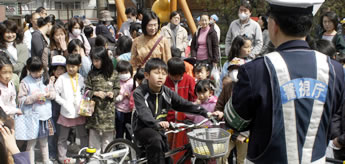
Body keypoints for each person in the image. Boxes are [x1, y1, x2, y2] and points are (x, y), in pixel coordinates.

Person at [213, 0, 345, 163]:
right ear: (309, 26)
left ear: (273, 25)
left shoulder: (256, 70)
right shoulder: (335, 70)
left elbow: (235, 121)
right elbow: (336, 119)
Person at [132, 58, 212, 164]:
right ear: (146, 75)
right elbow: (144, 112)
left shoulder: (166, 92)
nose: (160, 76)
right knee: (156, 141)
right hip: (143, 128)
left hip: (160, 129)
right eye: (156, 73)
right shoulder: (139, 92)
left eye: (164, 73)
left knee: (168, 158)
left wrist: (206, 112)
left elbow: (183, 104)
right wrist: (156, 123)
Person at [18, 56, 55, 164]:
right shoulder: (25, 82)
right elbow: (21, 100)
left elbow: (53, 94)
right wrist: (34, 98)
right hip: (32, 117)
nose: (38, 74)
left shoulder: (46, 79)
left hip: (45, 115)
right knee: (31, 143)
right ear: (29, 70)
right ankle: (31, 162)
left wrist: (49, 95)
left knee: (44, 142)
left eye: (40, 71)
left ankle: (46, 160)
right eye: (35, 72)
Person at [85, 47, 120, 154]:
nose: (95, 63)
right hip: (94, 112)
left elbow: (117, 89)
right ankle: (94, 160)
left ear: (104, 59)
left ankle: (108, 159)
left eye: (97, 60)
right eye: (93, 60)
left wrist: (112, 93)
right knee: (94, 137)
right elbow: (86, 90)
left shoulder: (113, 73)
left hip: (109, 112)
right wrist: (95, 93)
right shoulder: (91, 74)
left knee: (108, 139)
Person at [54, 54, 88, 164]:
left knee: (83, 135)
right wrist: (63, 103)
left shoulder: (81, 78)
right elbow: (55, 94)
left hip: (79, 112)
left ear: (79, 66)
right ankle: (62, 157)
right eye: (68, 66)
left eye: (73, 66)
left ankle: (83, 155)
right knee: (63, 137)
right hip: (66, 112)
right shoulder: (62, 78)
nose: (70, 68)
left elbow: (84, 93)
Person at [164, 57, 196, 163]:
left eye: (180, 76)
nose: (177, 78)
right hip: (168, 122)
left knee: (184, 148)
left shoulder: (189, 80)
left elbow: (194, 98)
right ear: (168, 73)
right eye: (174, 76)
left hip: (184, 122)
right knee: (167, 148)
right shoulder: (164, 81)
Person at [47, 55, 66, 161]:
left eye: (61, 68)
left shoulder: (67, 80)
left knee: (61, 134)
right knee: (51, 134)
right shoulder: (49, 81)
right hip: (50, 113)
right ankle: (52, 153)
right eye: (56, 69)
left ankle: (60, 154)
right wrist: (50, 83)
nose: (59, 71)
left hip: (62, 112)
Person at [115, 60, 133, 140]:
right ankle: (119, 145)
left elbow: (135, 97)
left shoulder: (133, 82)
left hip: (129, 110)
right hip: (119, 109)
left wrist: (129, 96)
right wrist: (121, 97)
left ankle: (129, 145)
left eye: (126, 72)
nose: (123, 75)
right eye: (121, 73)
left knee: (129, 129)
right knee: (119, 129)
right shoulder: (117, 82)